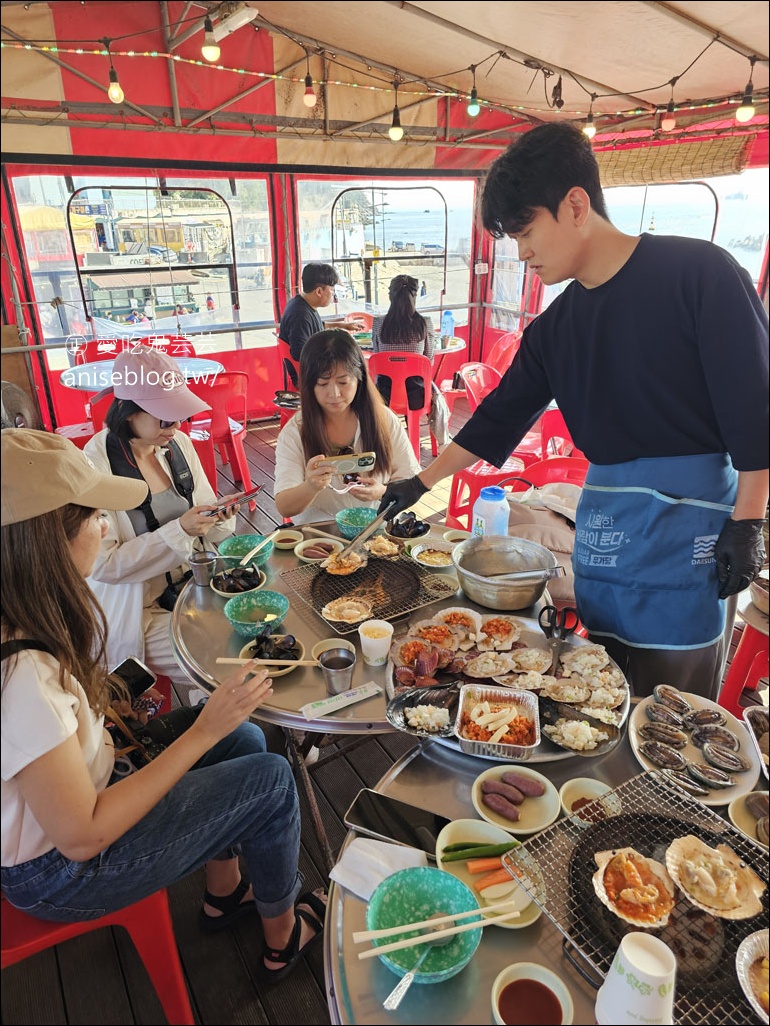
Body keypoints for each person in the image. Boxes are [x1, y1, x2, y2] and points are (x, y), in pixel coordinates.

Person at [378, 122, 768, 702]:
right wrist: (419, 481)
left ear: (577, 205)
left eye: (526, 230)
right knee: (596, 690)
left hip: (692, 532)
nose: (522, 251)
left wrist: (748, 523)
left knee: (673, 708)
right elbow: (498, 417)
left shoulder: (700, 275)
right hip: (607, 524)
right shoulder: (556, 329)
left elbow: (754, 409)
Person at [1, 429, 325, 977]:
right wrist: (201, 731)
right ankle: (284, 937)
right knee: (269, 778)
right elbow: (82, 835)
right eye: (95, 518)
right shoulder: (22, 676)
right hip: (59, 873)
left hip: (90, 789)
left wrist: (103, 712)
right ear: (47, 539)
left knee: (243, 737)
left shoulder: (26, 614)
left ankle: (224, 894)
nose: (104, 528)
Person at [83, 346, 239, 692]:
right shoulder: (95, 465)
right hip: (139, 611)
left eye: (179, 414)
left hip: (195, 586)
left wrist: (219, 516)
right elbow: (104, 567)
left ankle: (219, 720)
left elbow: (205, 521)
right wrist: (180, 530)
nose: (176, 426)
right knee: (219, 657)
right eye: (165, 417)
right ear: (127, 412)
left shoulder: (177, 443)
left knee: (255, 628)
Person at [274, 329, 420, 524]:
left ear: (359, 378)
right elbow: (284, 506)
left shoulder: (383, 420)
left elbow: (410, 481)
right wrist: (310, 486)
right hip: (319, 535)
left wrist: (382, 492)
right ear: (309, 386)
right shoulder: (295, 432)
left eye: (343, 382)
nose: (334, 393)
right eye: (322, 383)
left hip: (374, 530)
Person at [371, 274, 452, 448]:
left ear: (390, 296)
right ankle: (415, 438)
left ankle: (387, 441)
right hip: (417, 396)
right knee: (420, 384)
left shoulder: (379, 323)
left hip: (383, 396)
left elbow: (377, 359)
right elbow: (428, 361)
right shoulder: (425, 323)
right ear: (415, 296)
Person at [278, 263, 365, 367]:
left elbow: (315, 326)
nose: (333, 294)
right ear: (319, 291)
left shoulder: (302, 304)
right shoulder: (300, 315)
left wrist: (344, 325)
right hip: (311, 375)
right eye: (332, 290)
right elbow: (299, 353)